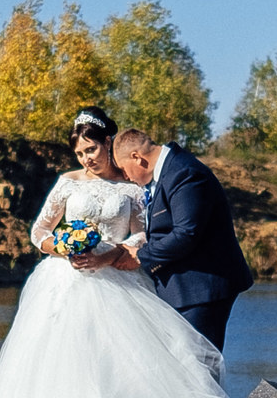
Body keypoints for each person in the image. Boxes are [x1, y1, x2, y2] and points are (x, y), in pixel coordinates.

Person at [0, 108, 235, 398]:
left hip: (117, 277)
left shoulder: (132, 187)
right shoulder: (67, 182)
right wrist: (59, 246)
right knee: (60, 361)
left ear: (108, 143)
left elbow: (143, 233)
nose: (86, 159)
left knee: (123, 362)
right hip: (65, 281)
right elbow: (39, 231)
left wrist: (113, 251)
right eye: (79, 153)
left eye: (91, 149)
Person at [103, 125, 255, 350]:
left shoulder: (185, 173)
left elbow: (186, 234)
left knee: (199, 367)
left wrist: (141, 256)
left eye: (124, 169)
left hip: (201, 288)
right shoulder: (168, 172)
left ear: (137, 157)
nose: (126, 176)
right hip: (185, 288)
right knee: (185, 368)